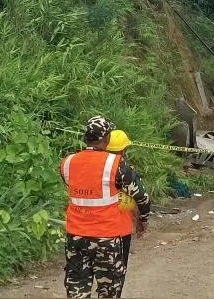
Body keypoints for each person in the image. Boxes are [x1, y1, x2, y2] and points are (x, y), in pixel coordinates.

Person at [59, 116, 150, 298]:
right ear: (107, 138)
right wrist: (143, 219)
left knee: (77, 289)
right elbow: (142, 196)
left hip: (76, 236)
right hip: (107, 237)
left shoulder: (67, 163)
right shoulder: (116, 164)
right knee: (109, 290)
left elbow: (74, 185)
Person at [106, 130, 146, 266]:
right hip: (118, 228)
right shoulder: (123, 170)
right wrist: (142, 220)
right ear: (124, 150)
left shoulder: (89, 166)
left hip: (84, 228)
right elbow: (141, 197)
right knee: (117, 270)